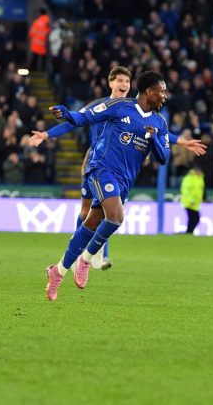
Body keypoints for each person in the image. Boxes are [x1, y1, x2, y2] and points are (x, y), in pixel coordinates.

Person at [29, 67, 206, 270]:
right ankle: (83, 257)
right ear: (110, 82)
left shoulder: (138, 110)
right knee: (94, 211)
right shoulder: (104, 106)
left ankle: (87, 258)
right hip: (97, 164)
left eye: (127, 81)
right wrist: (46, 134)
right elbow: (75, 121)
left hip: (123, 170)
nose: (123, 85)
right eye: (119, 80)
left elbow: (157, 133)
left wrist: (181, 141)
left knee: (105, 214)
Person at [43, 71, 171, 301]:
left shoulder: (159, 123)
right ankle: (87, 259)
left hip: (124, 181)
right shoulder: (119, 106)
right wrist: (67, 114)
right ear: (149, 92)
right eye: (162, 91)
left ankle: (58, 271)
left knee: (92, 222)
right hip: (101, 169)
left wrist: (152, 138)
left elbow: (164, 157)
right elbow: (86, 117)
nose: (165, 96)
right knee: (115, 218)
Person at [180, 163, 205, 234]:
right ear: (195, 171)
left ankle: (189, 232)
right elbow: (185, 190)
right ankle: (189, 232)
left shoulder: (200, 178)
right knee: (194, 218)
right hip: (189, 202)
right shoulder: (189, 178)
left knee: (195, 219)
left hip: (196, 203)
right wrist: (191, 200)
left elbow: (200, 190)